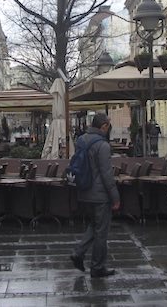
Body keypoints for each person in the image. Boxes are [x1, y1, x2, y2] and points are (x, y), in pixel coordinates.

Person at [70, 112, 120, 278]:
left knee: (94, 226)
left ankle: (78, 253)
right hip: (99, 196)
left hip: (83, 191)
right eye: (108, 126)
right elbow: (107, 174)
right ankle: (97, 267)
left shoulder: (81, 140)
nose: (108, 129)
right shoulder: (102, 145)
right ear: (103, 126)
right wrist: (115, 197)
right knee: (101, 232)